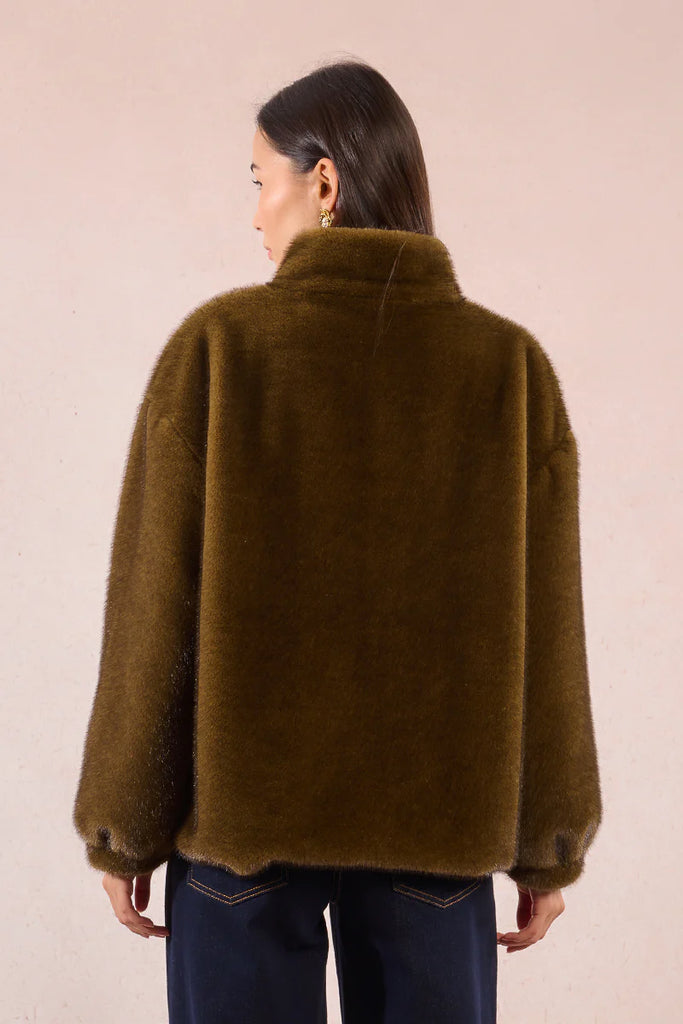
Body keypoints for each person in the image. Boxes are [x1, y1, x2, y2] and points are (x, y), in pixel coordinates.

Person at [73, 58, 602, 1023]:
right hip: (436, 831)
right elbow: (549, 634)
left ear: (323, 183)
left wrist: (123, 826)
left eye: (259, 182)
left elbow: (155, 607)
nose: (254, 215)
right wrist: (547, 847)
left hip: (242, 830)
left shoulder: (221, 349)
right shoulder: (506, 368)